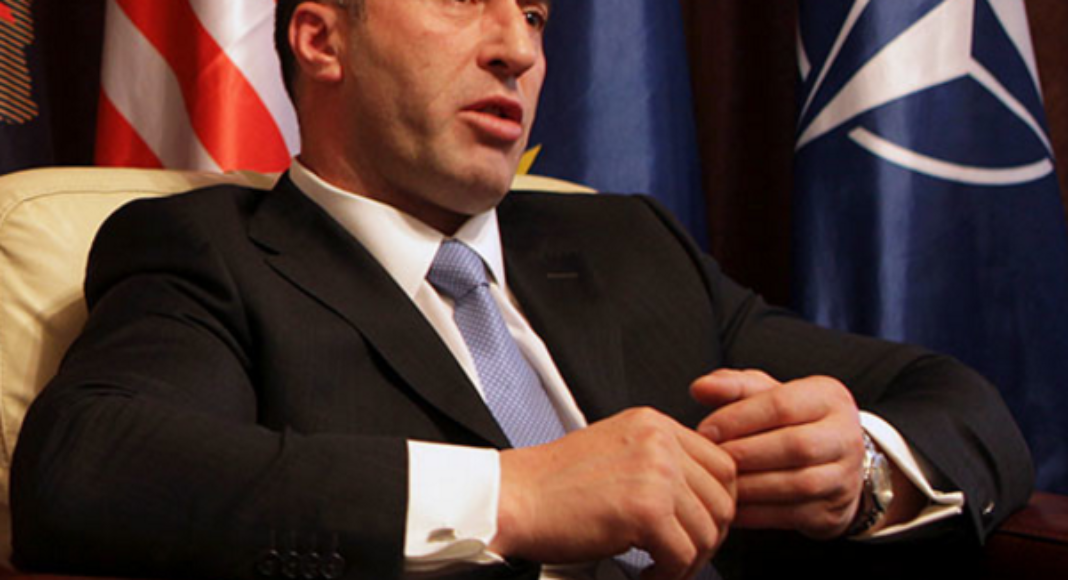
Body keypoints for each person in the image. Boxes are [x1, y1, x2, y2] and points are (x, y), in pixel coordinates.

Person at [10, 1, 1032, 579]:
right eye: (465, 0)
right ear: (322, 40)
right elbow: (87, 470)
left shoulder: (629, 243)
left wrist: (862, 469)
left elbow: (966, 405)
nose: (519, 49)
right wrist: (515, 495)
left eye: (535, 16)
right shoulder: (213, 253)